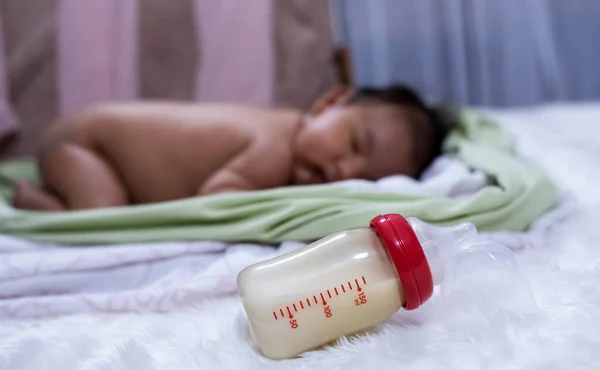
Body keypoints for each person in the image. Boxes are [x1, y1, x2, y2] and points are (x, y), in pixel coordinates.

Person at [12, 85, 450, 211]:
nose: (347, 170)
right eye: (355, 141)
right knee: (102, 209)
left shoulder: (286, 136)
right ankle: (37, 201)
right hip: (84, 144)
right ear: (330, 102)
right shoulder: (275, 145)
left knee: (113, 199)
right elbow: (218, 198)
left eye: (367, 178)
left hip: (95, 142)